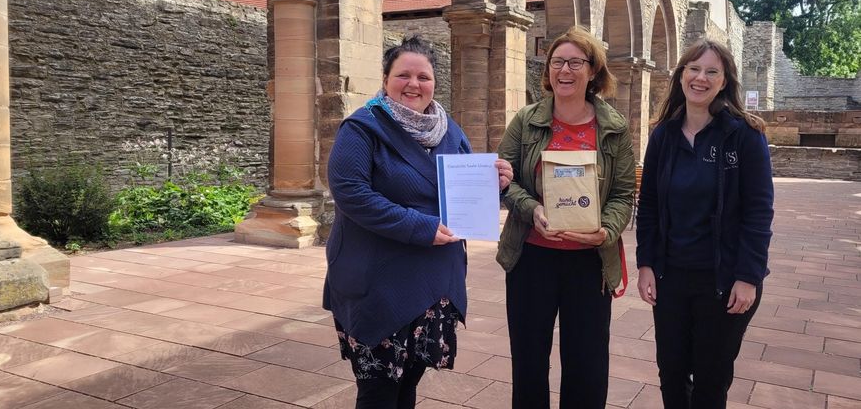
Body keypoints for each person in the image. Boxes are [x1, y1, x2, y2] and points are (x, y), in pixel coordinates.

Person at [323, 35, 513, 409]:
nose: (414, 84)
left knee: (408, 383)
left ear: (434, 83)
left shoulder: (450, 130)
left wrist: (496, 185)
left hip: (432, 283)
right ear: (385, 79)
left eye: (423, 77)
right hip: (378, 282)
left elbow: (463, 192)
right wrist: (419, 227)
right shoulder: (361, 130)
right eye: (403, 75)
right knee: (378, 390)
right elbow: (351, 193)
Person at [496, 26, 636, 409]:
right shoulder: (526, 121)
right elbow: (503, 179)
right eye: (557, 62)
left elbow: (624, 194)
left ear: (593, 71)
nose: (565, 70)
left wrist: (606, 231)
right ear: (548, 70)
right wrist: (532, 209)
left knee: (587, 364)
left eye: (576, 62)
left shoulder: (614, 127)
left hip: (589, 261)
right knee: (528, 361)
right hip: (531, 258)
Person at [636, 39, 774, 409]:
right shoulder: (663, 135)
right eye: (693, 69)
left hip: (724, 280)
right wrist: (646, 263)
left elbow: (759, 213)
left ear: (725, 79)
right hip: (670, 278)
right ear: (681, 75)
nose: (701, 78)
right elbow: (647, 205)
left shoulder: (745, 135)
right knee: (672, 373)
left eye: (712, 71)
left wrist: (749, 277)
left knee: (711, 380)